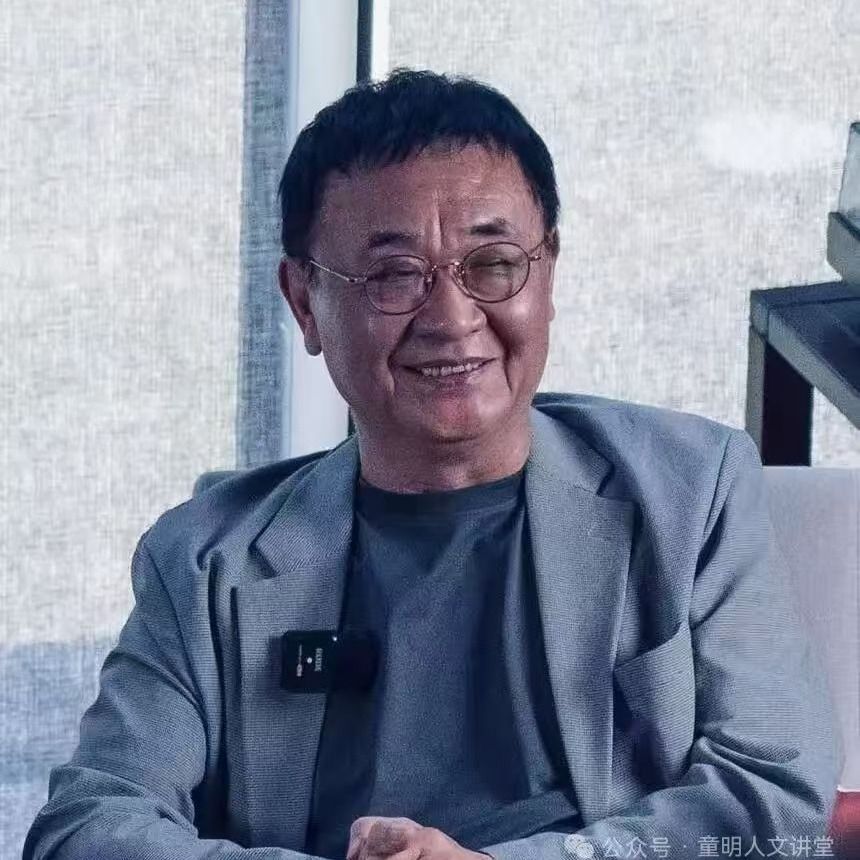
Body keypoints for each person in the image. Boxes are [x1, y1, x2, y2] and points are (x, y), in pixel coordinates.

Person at [23, 69, 841, 860]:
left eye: (494, 264)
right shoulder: (205, 563)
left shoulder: (690, 493)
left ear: (547, 270)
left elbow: (774, 793)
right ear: (304, 302)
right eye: (393, 275)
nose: (452, 318)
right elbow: (86, 827)